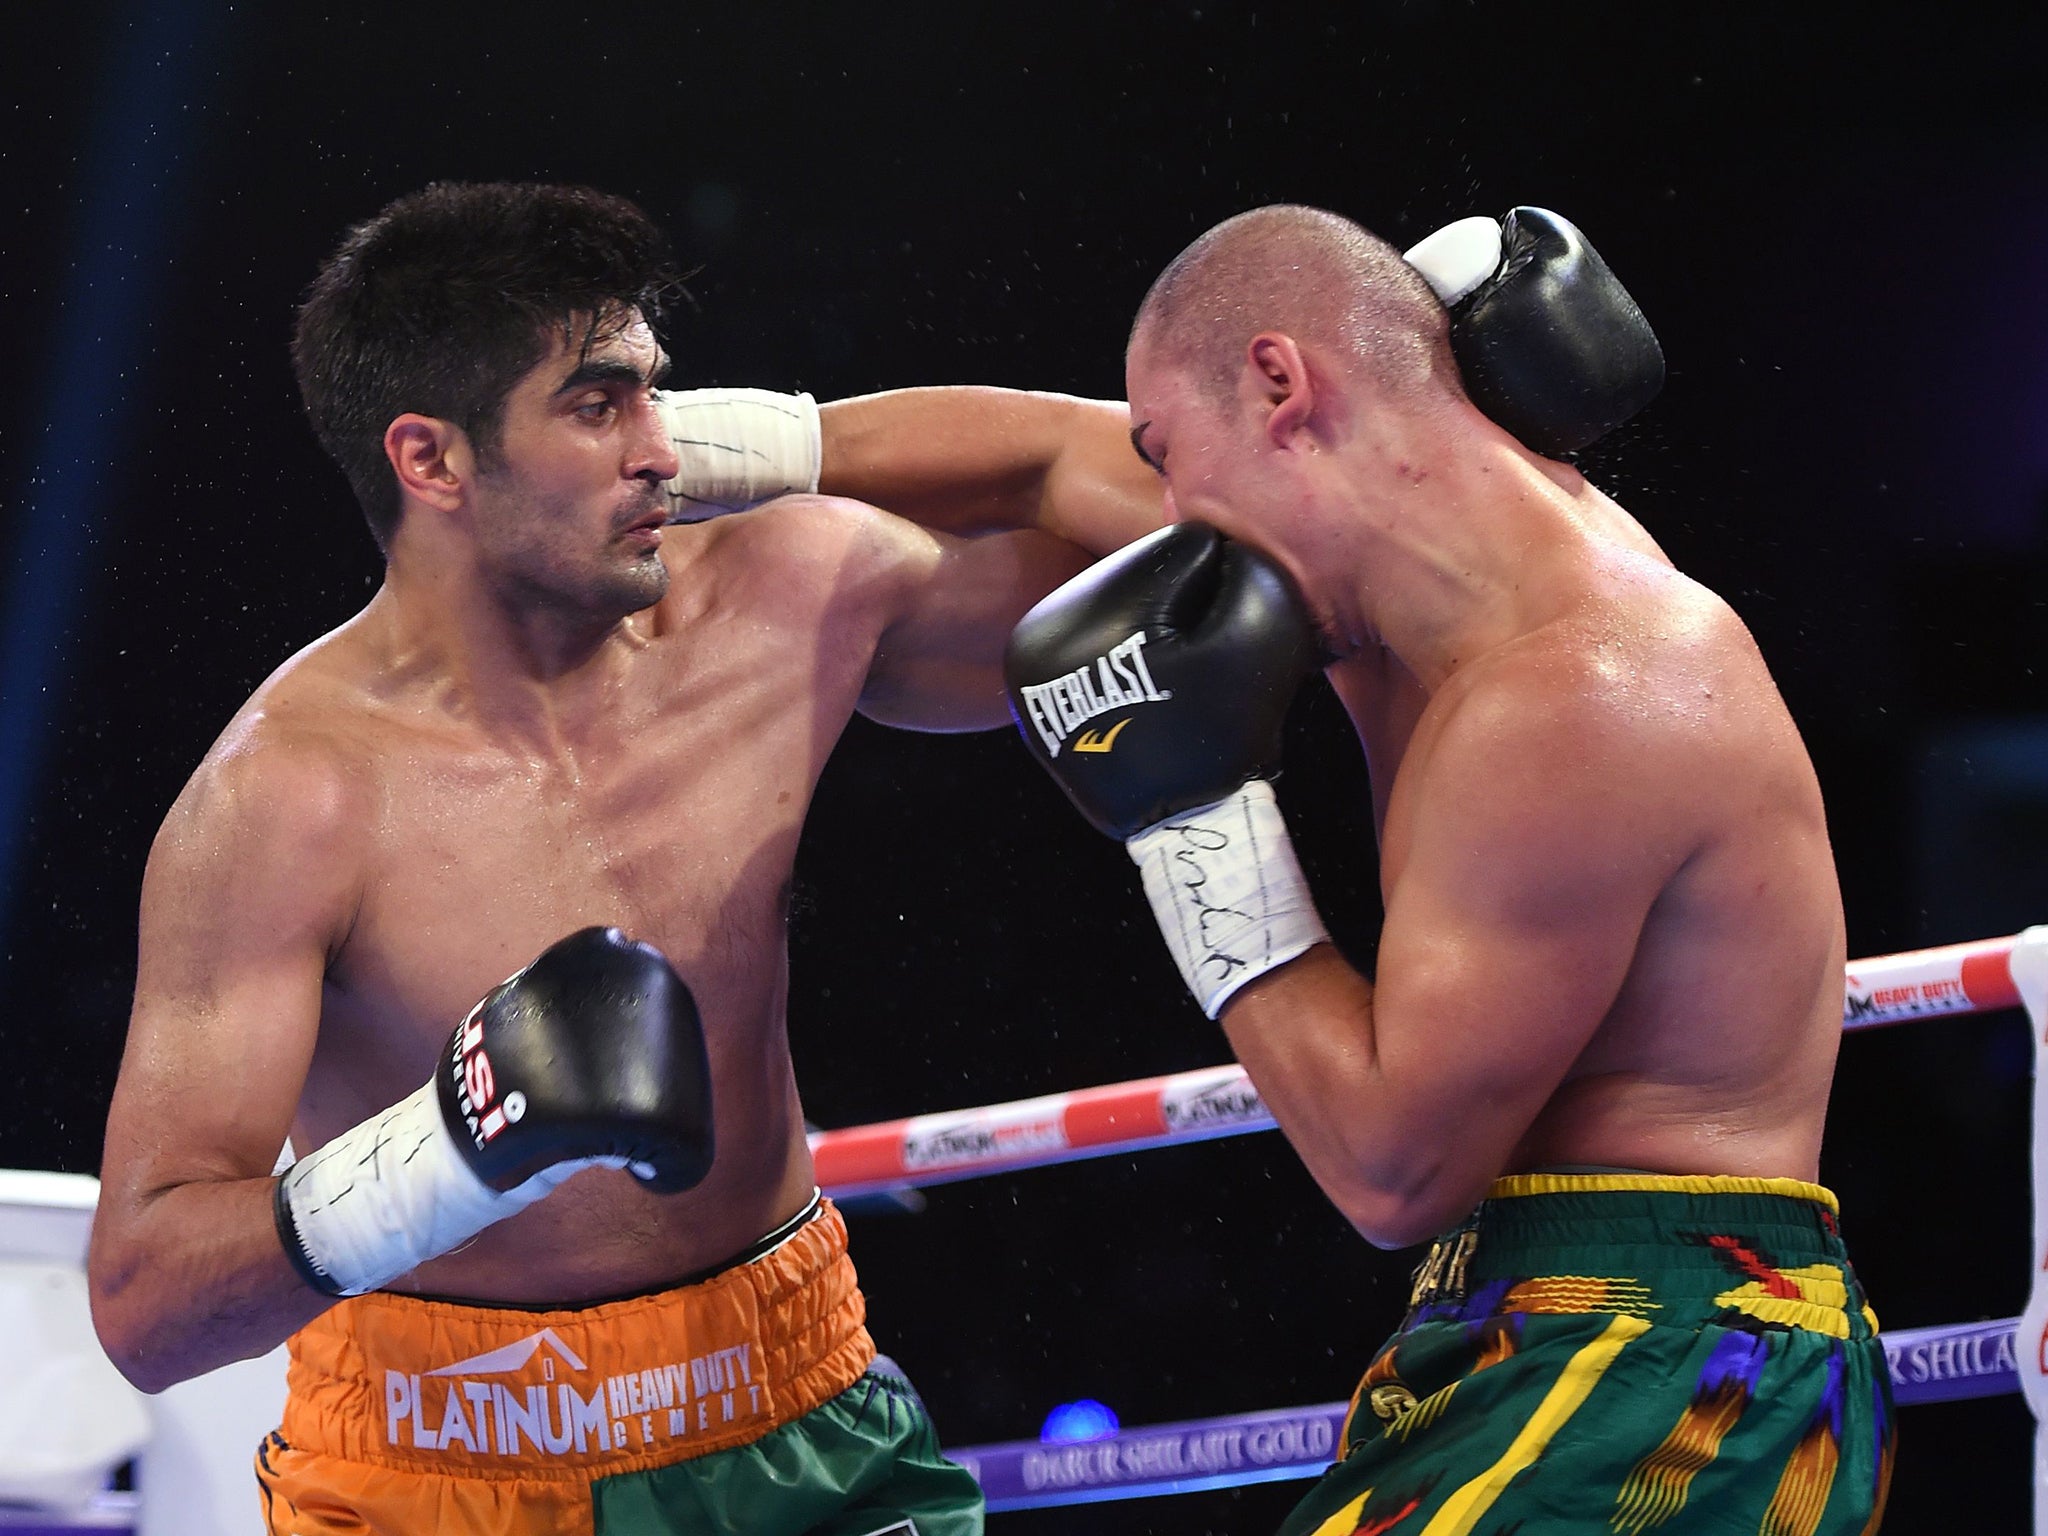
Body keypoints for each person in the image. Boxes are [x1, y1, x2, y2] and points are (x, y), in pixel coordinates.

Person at [84, 180, 1160, 1536]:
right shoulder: (286, 805)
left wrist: (790, 441)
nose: (661, 451)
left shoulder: (784, 600)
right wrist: (452, 1150)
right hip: (442, 1474)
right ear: (430, 462)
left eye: (662, 395)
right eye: (599, 406)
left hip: (795, 1411)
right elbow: (144, 1303)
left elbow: (1150, 507)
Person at [1002, 205, 1894, 1534]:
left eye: (1170, 457)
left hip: (1679, 1367)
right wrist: (751, 451)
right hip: (1526, 1327)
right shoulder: (1414, 586)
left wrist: (1194, 831)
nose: (1174, 518)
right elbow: (1027, 451)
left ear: (1282, 385)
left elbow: (1391, 1172)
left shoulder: (1575, 689)